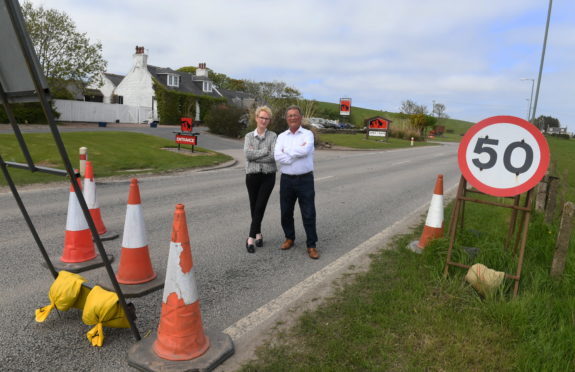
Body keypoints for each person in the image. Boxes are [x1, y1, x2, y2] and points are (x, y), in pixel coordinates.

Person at [274, 105, 319, 259]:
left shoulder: (308, 135)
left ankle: (311, 245)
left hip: (305, 180)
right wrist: (294, 154)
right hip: (286, 180)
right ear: (287, 118)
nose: (292, 118)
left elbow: (305, 151)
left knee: (308, 213)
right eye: (290, 115)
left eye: (295, 115)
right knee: (286, 212)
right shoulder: (281, 137)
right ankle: (289, 238)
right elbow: (277, 156)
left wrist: (287, 153)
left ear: (300, 118)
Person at [244, 106, 277, 253]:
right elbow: (248, 155)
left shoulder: (274, 136)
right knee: (254, 205)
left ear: (269, 121)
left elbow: (273, 156)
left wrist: (256, 154)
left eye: (266, 118)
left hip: (268, 176)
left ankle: (250, 238)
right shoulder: (249, 136)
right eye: (261, 117)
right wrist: (265, 151)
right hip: (252, 176)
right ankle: (258, 233)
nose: (263, 120)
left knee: (260, 206)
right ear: (256, 118)